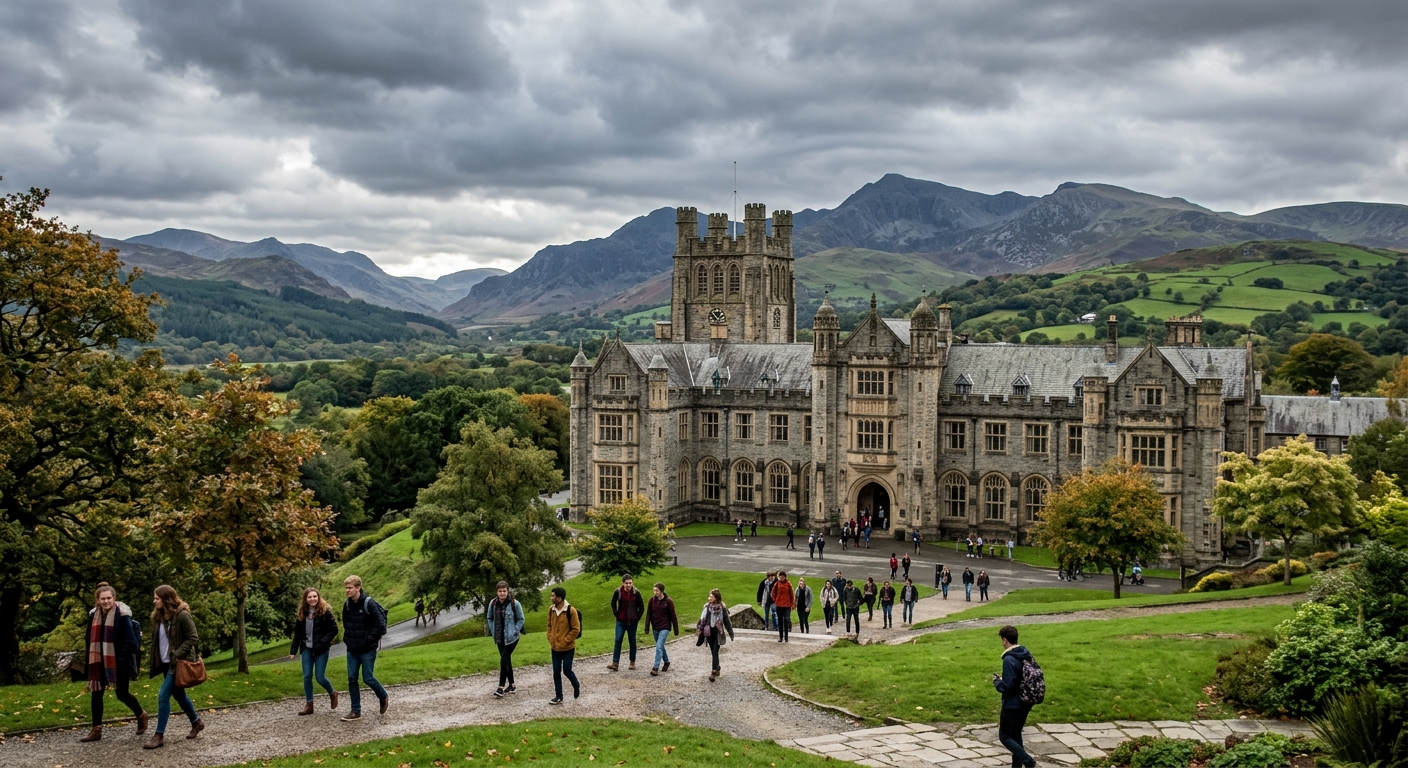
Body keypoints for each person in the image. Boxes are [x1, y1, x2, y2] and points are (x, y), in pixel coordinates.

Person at [81, 583, 146, 743]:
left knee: (122, 694)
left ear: (114, 598)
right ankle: (96, 729)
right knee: (97, 693)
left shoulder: (123, 615)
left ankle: (141, 715)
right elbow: (88, 638)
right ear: (97, 600)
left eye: (109, 598)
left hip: (119, 663)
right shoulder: (93, 615)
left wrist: (119, 660)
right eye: (103, 599)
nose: (106, 601)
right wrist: (91, 658)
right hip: (98, 661)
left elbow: (131, 642)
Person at [144, 585, 202, 749]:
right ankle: (197, 722)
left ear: (166, 598)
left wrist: (177, 654)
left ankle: (159, 736)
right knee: (179, 695)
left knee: (163, 696)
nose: (154, 601)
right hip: (164, 663)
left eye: (157, 598)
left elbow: (192, 637)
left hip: (177, 663)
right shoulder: (159, 617)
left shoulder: (182, 615)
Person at [341, 575, 389, 721]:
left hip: (367, 649)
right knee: (351, 678)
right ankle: (355, 711)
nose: (347, 591)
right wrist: (348, 639)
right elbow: (346, 623)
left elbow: (381, 625)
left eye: (350, 588)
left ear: (358, 588)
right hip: (352, 649)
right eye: (346, 588)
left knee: (368, 678)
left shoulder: (369, 603)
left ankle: (383, 696)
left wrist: (369, 640)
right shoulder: (347, 605)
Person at [288, 587, 339, 715]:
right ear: (306, 599)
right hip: (307, 648)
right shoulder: (302, 613)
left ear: (318, 597)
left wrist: (323, 641)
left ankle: (332, 693)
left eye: (314, 596)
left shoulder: (325, 611)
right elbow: (297, 634)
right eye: (310, 597)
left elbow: (334, 629)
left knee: (320, 677)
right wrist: (293, 650)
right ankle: (309, 704)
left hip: (321, 649)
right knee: (307, 676)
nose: (312, 599)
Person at [993, 625, 1038, 768]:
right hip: (1026, 701)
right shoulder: (1025, 653)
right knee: (1016, 733)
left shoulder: (1009, 659)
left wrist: (997, 682)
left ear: (1005, 640)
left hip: (1012, 704)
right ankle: (1016, 766)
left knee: (1004, 736)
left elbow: (1008, 686)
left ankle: (1028, 761)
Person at [487, 581, 525, 697]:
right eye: (500, 591)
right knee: (507, 660)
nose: (502, 593)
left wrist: (515, 630)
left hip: (511, 637)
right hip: (499, 636)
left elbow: (521, 619)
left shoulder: (514, 603)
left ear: (508, 591)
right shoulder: (493, 604)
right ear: (497, 592)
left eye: (504, 591)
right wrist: (493, 630)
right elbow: (490, 618)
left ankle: (500, 687)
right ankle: (512, 685)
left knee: (504, 659)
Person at [546, 587, 582, 704]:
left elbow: (576, 629)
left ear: (559, 598)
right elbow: (549, 625)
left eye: (553, 596)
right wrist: (550, 638)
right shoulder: (551, 610)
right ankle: (558, 696)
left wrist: (566, 640)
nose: (551, 598)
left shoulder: (571, 611)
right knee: (556, 672)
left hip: (567, 648)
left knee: (567, 670)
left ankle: (576, 685)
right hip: (555, 647)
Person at [609, 574, 645, 670]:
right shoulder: (618, 591)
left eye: (630, 583)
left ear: (632, 583)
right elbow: (613, 602)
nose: (628, 585)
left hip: (632, 621)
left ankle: (632, 662)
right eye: (626, 583)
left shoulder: (636, 593)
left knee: (632, 640)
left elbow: (641, 607)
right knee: (618, 640)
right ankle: (615, 662)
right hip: (620, 620)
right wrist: (616, 612)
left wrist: (637, 618)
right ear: (623, 583)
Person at [697, 589, 734, 681]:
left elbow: (726, 621)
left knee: (714, 651)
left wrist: (731, 633)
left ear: (716, 598)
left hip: (718, 633)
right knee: (713, 652)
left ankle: (713, 672)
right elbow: (702, 619)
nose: (709, 598)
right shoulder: (706, 607)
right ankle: (717, 667)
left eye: (711, 597)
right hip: (708, 633)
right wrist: (699, 629)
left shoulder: (722, 608)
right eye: (709, 596)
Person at [647, 582, 679, 675]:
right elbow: (649, 614)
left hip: (665, 626)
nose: (655, 592)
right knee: (660, 646)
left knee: (658, 646)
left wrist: (676, 629)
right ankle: (666, 662)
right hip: (655, 626)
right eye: (654, 590)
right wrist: (647, 627)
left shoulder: (668, 601)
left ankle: (655, 667)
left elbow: (673, 615)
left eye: (656, 590)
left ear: (661, 591)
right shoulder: (652, 601)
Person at [771, 571, 795, 643]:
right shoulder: (777, 584)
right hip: (779, 605)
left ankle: (786, 637)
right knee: (780, 620)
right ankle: (781, 637)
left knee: (786, 620)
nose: (781, 578)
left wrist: (792, 603)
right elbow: (773, 593)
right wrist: (776, 600)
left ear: (785, 577)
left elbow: (792, 594)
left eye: (783, 577)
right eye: (780, 577)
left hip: (787, 605)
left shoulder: (788, 584)